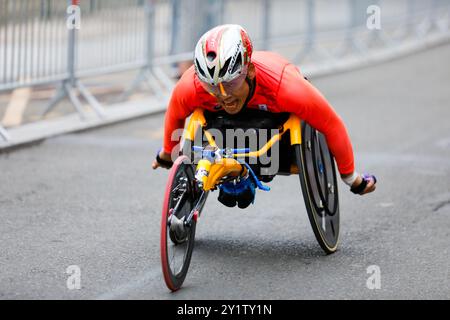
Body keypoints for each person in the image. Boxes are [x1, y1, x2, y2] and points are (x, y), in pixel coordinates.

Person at [152, 24, 376, 205]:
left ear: (249, 70)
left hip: (276, 130)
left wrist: (351, 178)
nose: (223, 95)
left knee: (274, 140)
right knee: (208, 121)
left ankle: (251, 170)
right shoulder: (191, 86)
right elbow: (175, 114)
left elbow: (331, 124)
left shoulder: (287, 87)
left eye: (230, 83)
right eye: (213, 86)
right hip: (223, 128)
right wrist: (167, 153)